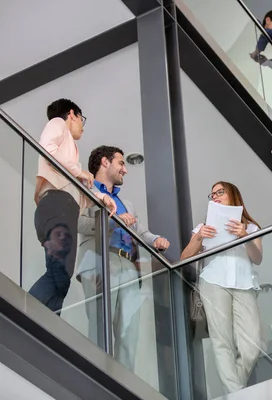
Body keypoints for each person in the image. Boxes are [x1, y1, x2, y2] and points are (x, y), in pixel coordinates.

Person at [77, 145, 170, 371]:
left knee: (129, 333)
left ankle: (123, 388)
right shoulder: (85, 190)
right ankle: (98, 380)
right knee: (101, 326)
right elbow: (77, 222)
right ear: (105, 163)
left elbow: (141, 232)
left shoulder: (126, 204)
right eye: (121, 163)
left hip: (128, 266)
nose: (125, 170)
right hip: (99, 260)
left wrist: (156, 239)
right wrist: (112, 221)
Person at [29, 99, 116, 314]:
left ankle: (46, 329)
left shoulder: (70, 153)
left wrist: (99, 197)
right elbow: (47, 149)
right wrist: (78, 171)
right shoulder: (58, 124)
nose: (82, 126)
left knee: (61, 278)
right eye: (81, 119)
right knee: (59, 273)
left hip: (59, 207)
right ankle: (19, 314)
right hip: (57, 206)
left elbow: (75, 190)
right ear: (72, 114)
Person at [180, 181, 263, 394]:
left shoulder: (251, 227)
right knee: (221, 342)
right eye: (212, 194)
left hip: (244, 285)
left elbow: (258, 258)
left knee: (251, 346)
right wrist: (199, 237)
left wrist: (245, 236)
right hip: (213, 283)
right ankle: (237, 394)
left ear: (233, 195)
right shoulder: (203, 227)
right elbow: (184, 258)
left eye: (220, 192)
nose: (215, 196)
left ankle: (233, 390)